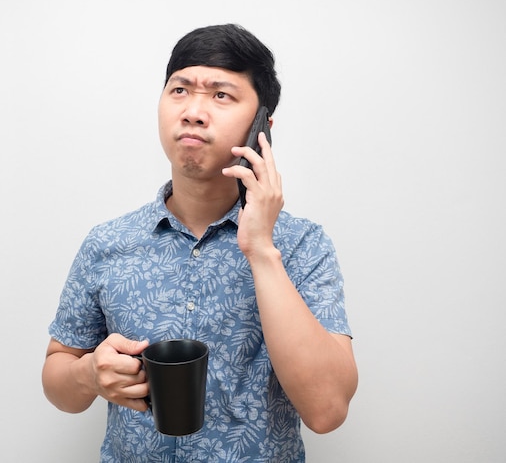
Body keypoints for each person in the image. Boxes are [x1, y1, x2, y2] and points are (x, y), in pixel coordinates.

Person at [42, 23, 358, 462]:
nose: (193, 111)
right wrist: (88, 376)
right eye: (180, 90)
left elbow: (327, 410)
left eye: (221, 95)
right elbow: (58, 380)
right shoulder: (107, 243)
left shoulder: (303, 245)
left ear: (262, 126)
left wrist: (262, 250)